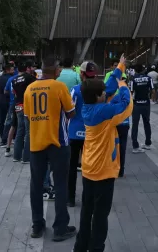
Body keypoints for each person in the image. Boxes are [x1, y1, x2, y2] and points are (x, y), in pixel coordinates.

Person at [73, 59, 133, 252]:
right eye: (103, 94)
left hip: (89, 169)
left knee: (86, 211)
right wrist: (123, 84)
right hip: (104, 172)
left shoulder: (90, 106)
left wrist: (120, 67)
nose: (106, 94)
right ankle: (96, 248)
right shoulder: (104, 112)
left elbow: (108, 88)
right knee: (100, 216)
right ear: (99, 96)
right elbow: (125, 105)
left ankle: (80, 247)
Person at [24, 56, 77, 241]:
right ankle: (60, 229)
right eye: (59, 69)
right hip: (58, 143)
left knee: (36, 185)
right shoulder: (59, 87)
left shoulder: (29, 89)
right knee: (61, 185)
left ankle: (37, 226)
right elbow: (71, 113)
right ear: (55, 71)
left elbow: (28, 116)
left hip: (37, 143)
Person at [67, 61, 97, 208]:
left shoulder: (75, 89)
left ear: (81, 74)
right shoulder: (99, 89)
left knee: (71, 167)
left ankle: (70, 198)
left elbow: (69, 110)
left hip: (74, 132)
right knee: (89, 168)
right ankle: (88, 199)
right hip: (91, 133)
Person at [12, 61, 38, 163]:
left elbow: (14, 92)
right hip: (27, 106)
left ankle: (16, 156)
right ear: (27, 68)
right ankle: (26, 157)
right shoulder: (29, 78)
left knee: (19, 131)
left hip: (18, 105)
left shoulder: (14, 80)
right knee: (28, 132)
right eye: (32, 67)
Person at [130, 64, 153, 153]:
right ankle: (148, 143)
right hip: (146, 104)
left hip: (136, 104)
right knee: (147, 123)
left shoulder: (133, 79)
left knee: (135, 125)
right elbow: (153, 90)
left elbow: (131, 92)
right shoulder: (148, 78)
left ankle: (135, 146)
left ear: (135, 70)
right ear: (143, 70)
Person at [0, 63, 16, 148]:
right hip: (9, 101)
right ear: (7, 70)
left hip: (1, 100)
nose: (13, 71)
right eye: (12, 69)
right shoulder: (11, 79)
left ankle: (2, 137)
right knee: (11, 120)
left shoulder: (0, 78)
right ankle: (10, 137)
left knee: (2, 119)